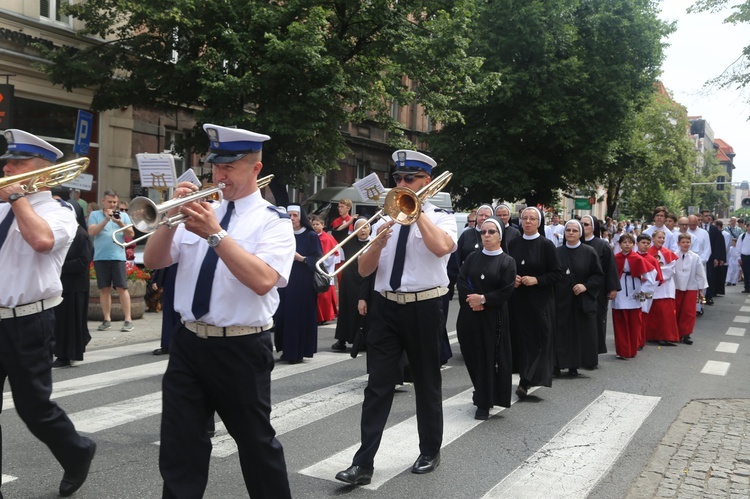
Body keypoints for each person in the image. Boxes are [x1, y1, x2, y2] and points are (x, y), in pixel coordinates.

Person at [143, 123, 294, 498]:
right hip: (189, 343)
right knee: (180, 448)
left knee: (257, 447)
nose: (219, 175)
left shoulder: (272, 221)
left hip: (241, 347)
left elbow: (262, 280)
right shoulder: (198, 212)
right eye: (215, 167)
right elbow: (154, 259)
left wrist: (216, 235)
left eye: (230, 167)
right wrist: (169, 217)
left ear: (255, 169)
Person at [335, 150, 457, 486]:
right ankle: (363, 464)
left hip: (424, 306)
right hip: (385, 307)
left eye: (410, 179)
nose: (401, 185)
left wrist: (415, 213)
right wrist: (378, 241)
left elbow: (442, 248)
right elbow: (363, 269)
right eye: (398, 179)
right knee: (378, 386)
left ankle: (430, 449)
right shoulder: (383, 219)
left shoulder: (442, 217)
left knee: (427, 382)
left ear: (426, 182)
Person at [0, 129, 96, 497]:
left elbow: (40, 240)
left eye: (17, 163)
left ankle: (77, 451)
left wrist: (15, 196)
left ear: (40, 173)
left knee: (34, 409)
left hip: (29, 321)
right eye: (8, 162)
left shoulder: (60, 211)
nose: (7, 167)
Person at [456, 217, 516, 419]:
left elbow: (506, 290)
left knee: (489, 358)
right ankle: (480, 391)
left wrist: (483, 299)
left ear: (500, 236)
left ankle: (484, 401)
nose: (487, 236)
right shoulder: (473, 257)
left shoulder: (507, 261)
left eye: (492, 232)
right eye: (483, 232)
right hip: (469, 315)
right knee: (471, 355)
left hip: (493, 318)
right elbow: (462, 278)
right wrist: (471, 300)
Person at [507, 207, 563, 398]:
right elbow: (506, 267)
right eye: (525, 218)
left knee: (538, 340)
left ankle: (527, 380)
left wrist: (536, 280)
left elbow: (557, 273)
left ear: (539, 223)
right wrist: (511, 278)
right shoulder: (513, 243)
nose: (528, 222)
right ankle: (521, 374)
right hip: (518, 300)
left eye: (532, 219)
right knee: (520, 340)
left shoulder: (546, 245)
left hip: (540, 301)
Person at [553, 220, 603, 375]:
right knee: (561, 332)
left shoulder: (589, 252)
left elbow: (598, 275)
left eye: (575, 230)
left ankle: (574, 365)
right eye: (568, 230)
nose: (571, 233)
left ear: (580, 233)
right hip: (561, 300)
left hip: (581, 300)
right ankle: (558, 364)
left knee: (578, 332)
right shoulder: (557, 251)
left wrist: (585, 286)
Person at [274, 205, 322, 364]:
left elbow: (319, 260)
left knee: (298, 316)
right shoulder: (283, 234)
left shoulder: (310, 236)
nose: (292, 218)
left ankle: (297, 352)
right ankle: (285, 349)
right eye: (289, 215)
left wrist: (302, 258)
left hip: (303, 282)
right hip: (284, 281)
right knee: (282, 316)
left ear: (301, 217)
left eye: (295, 215)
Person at [88, 189, 135, 332]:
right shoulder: (95, 215)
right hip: (101, 257)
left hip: (117, 256)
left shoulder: (124, 215)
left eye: (115, 202)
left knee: (122, 288)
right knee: (104, 289)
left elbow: (131, 234)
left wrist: (120, 222)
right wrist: (106, 220)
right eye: (110, 202)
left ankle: (128, 319)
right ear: (103, 201)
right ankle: (106, 319)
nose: (112, 205)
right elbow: (92, 232)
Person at [52, 209, 93, 368]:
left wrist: (59, 266)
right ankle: (62, 352)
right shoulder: (68, 233)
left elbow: (83, 262)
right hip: (65, 285)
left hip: (75, 286)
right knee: (62, 321)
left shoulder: (81, 234)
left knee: (71, 322)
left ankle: (67, 355)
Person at [612, 234, 658, 359]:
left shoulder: (637, 258)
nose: (627, 244)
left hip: (634, 289)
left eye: (630, 242)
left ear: (633, 244)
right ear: (620, 244)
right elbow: (609, 275)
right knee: (620, 322)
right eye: (624, 242)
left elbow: (652, 275)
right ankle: (622, 350)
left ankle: (632, 349)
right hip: (620, 290)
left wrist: (642, 291)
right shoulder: (615, 258)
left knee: (633, 322)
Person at [580, 215, 620, 355]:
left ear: (594, 227)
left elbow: (610, 267)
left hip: (598, 290)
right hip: (579, 289)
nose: (583, 227)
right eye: (581, 224)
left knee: (596, 320)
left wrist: (613, 288)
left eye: (586, 224)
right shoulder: (573, 243)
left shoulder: (602, 245)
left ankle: (594, 351)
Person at [332, 217, 373, 352]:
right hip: (350, 282)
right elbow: (336, 233)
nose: (363, 230)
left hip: (368, 279)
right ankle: (342, 339)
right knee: (347, 310)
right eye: (360, 228)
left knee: (366, 311)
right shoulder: (349, 242)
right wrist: (350, 222)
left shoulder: (374, 242)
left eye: (366, 227)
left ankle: (363, 340)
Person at [645, 229, 680, 345]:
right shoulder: (647, 252)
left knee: (666, 312)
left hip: (665, 285)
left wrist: (659, 274)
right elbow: (646, 267)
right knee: (653, 311)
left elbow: (670, 269)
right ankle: (652, 335)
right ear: (653, 239)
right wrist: (656, 275)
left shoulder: (668, 253)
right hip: (653, 284)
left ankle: (665, 336)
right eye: (659, 238)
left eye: (663, 238)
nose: (661, 240)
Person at [673, 233, 708, 345]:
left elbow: (700, 274)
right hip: (676, 286)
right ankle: (676, 333)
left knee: (689, 311)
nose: (685, 244)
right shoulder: (674, 256)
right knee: (676, 309)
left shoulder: (695, 257)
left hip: (691, 286)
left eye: (687, 242)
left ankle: (686, 334)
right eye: (683, 242)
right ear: (678, 243)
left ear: (690, 243)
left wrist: (701, 289)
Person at [310, 214, 338, 325]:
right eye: (313, 224)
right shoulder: (312, 236)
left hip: (324, 267)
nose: (315, 226)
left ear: (323, 225)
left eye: (317, 224)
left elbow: (330, 255)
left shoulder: (327, 238)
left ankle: (322, 317)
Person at [700, 210, 726, 305]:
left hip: (711, 257)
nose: (708, 217)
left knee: (710, 277)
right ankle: (700, 296)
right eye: (706, 216)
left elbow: (718, 244)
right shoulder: (698, 227)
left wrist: (717, 258)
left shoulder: (714, 229)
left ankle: (709, 296)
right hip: (699, 255)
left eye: (709, 215)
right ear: (701, 217)